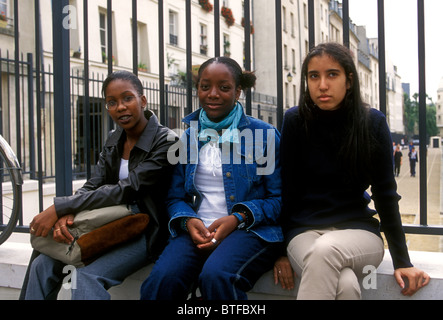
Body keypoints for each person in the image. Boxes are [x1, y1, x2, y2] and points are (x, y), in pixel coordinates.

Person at [276, 42, 429, 300]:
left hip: (359, 233)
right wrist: (279, 252)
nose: (322, 85)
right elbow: (286, 190)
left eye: (332, 74)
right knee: (345, 285)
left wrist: (402, 260)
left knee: (326, 250)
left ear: (349, 80)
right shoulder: (295, 120)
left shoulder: (372, 122)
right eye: (314, 76)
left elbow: (385, 195)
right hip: (304, 233)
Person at [22, 70, 177, 300]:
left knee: (86, 277)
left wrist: (60, 207)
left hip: (146, 230)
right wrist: (69, 212)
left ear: (142, 100)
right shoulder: (114, 139)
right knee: (41, 265)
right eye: (111, 102)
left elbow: (126, 188)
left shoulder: (167, 141)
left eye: (127, 98)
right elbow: (94, 183)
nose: (120, 107)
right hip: (109, 223)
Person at [140, 57, 283, 300]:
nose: (213, 94)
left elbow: (278, 199)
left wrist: (238, 218)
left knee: (217, 276)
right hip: (199, 229)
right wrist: (188, 221)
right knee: (162, 278)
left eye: (224, 87)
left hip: (249, 230)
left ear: (238, 91)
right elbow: (175, 197)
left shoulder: (264, 135)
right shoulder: (188, 138)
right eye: (205, 87)